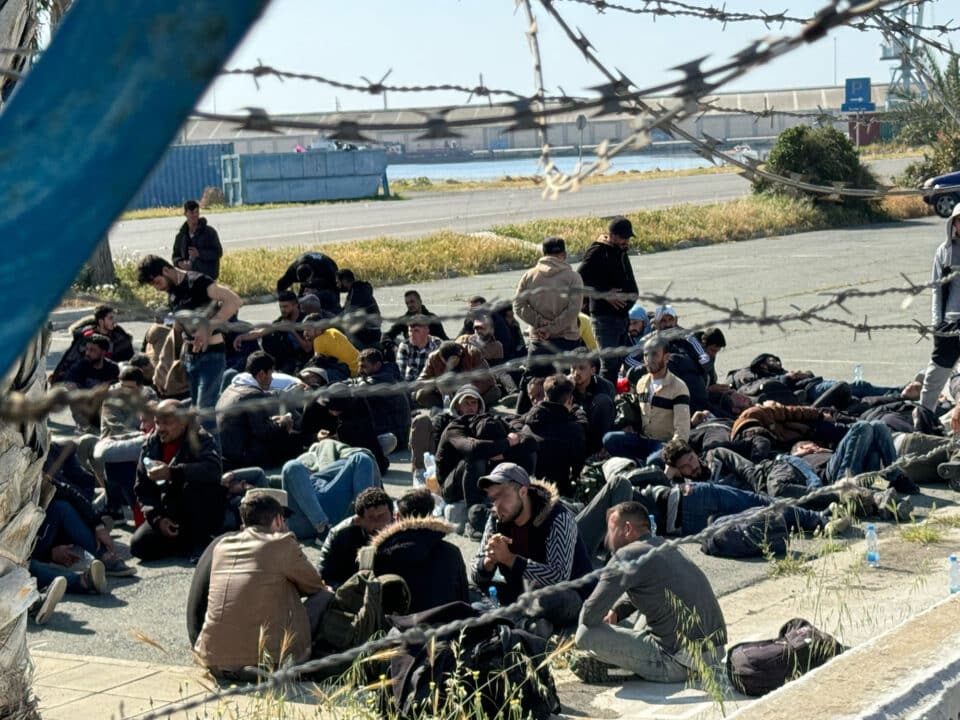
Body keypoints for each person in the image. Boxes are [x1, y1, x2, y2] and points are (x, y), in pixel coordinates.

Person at [570, 501, 727, 684]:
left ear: (627, 529)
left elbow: (589, 616)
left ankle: (621, 670)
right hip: (714, 654)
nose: (607, 539)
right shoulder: (666, 546)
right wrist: (617, 611)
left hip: (680, 664)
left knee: (585, 634)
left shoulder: (626, 555)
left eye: (611, 531)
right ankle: (629, 662)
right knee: (645, 613)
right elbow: (652, 592)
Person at [193, 488, 332, 677]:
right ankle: (305, 661)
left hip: (212, 660)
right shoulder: (281, 543)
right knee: (325, 594)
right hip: (261, 665)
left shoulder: (222, 547)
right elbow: (314, 585)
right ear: (277, 520)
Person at [472, 463, 594, 635]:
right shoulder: (497, 518)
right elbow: (476, 571)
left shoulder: (557, 518)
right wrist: (488, 561)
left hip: (569, 593)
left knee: (545, 599)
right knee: (468, 588)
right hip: (522, 591)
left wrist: (510, 560)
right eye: (493, 498)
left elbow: (559, 577)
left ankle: (519, 623)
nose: (497, 505)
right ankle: (529, 625)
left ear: (522, 492)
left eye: (503, 495)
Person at [136, 255, 243, 432]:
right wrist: (163, 367)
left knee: (205, 416)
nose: (157, 288)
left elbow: (234, 300)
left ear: (166, 270)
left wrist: (208, 326)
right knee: (196, 413)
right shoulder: (172, 294)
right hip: (190, 358)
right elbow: (177, 328)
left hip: (211, 355)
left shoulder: (198, 281)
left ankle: (213, 458)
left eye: (157, 282)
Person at [131, 400, 226, 562]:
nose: (160, 428)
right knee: (139, 546)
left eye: (167, 423)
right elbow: (142, 489)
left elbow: (213, 470)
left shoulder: (200, 438)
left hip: (198, 510)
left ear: (183, 423)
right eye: (157, 422)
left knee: (194, 484)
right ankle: (185, 542)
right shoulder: (151, 444)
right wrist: (158, 519)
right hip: (169, 510)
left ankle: (201, 541)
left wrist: (172, 473)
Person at [435, 385, 537, 514]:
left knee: (526, 452)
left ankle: (520, 493)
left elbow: (530, 442)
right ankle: (474, 511)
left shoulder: (487, 421)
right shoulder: (454, 428)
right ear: (457, 406)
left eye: (474, 403)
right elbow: (473, 449)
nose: (471, 407)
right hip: (451, 487)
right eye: (466, 403)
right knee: (477, 458)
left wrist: (503, 455)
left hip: (479, 478)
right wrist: (507, 442)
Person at [369, 487, 469, 613]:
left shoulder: (380, 554)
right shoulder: (452, 552)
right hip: (447, 628)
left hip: (400, 629)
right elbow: (464, 601)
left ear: (398, 518)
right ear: (431, 515)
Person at [604, 336, 690, 463]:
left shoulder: (678, 387)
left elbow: (682, 431)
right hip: (643, 440)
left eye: (654, 354)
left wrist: (672, 452)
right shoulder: (641, 383)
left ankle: (647, 467)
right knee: (609, 439)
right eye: (646, 355)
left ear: (666, 357)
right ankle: (637, 466)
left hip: (664, 444)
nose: (649, 359)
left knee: (653, 461)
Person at [215, 351, 302, 470]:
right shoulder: (252, 394)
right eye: (270, 374)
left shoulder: (232, 387)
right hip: (240, 456)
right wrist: (283, 422)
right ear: (261, 374)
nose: (271, 379)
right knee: (291, 437)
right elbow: (263, 432)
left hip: (226, 450)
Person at [578, 216, 638, 383]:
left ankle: (613, 398)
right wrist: (603, 294)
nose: (626, 241)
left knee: (618, 363)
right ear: (612, 235)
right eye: (623, 237)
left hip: (621, 318)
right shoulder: (598, 251)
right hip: (605, 319)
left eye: (628, 237)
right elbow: (578, 279)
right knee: (608, 365)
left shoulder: (620, 250)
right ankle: (605, 401)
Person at [513, 236, 585, 376]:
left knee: (532, 385)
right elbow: (573, 310)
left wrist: (540, 323)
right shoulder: (573, 277)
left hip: (539, 340)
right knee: (566, 386)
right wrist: (551, 329)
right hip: (567, 340)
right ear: (564, 254)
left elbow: (518, 305)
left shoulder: (529, 276)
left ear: (543, 254)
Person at [280, 445, 380, 542]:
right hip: (304, 519)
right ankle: (323, 530)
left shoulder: (333, 463)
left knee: (363, 458)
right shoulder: (300, 471)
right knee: (292, 466)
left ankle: (363, 523)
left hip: (337, 511)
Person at [516, 373, 587, 499]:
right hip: (556, 493)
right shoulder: (573, 431)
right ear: (569, 400)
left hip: (526, 489)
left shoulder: (528, 425)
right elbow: (578, 468)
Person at [921, 204, 960, 410]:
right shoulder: (945, 252)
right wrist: (937, 325)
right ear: (953, 223)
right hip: (950, 324)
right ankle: (924, 418)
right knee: (934, 377)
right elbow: (937, 290)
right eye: (959, 220)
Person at [316, 487, 394, 588]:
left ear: (393, 515)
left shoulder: (402, 532)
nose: (378, 522)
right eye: (371, 518)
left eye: (382, 516)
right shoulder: (340, 534)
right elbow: (323, 575)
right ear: (359, 520)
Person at [232, 291, 312, 375]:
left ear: (295, 305)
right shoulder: (281, 321)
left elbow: (308, 348)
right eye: (281, 307)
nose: (283, 310)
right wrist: (241, 337)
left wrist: (292, 331)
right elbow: (260, 332)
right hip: (282, 360)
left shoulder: (305, 321)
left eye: (286, 306)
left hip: (300, 361)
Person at [415, 340, 499, 410]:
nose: (453, 364)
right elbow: (420, 382)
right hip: (448, 395)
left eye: (455, 360)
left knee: (495, 391)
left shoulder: (472, 353)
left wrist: (468, 390)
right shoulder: (433, 358)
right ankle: (451, 408)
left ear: (460, 354)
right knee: (421, 394)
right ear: (441, 358)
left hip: (471, 392)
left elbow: (488, 379)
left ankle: (473, 406)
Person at [568, 348, 616, 455]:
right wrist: (568, 389)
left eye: (582, 368)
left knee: (603, 401)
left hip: (595, 432)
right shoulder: (565, 385)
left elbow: (609, 416)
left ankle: (599, 450)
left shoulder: (605, 387)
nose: (576, 372)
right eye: (573, 368)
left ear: (593, 370)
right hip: (574, 432)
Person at [172, 199, 223, 280]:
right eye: (191, 212)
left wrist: (199, 254)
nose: (194, 215)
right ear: (185, 214)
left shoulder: (209, 232)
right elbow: (175, 256)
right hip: (187, 277)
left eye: (196, 212)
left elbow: (218, 252)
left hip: (206, 276)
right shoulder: (181, 236)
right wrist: (179, 263)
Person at [276, 250, 340, 313]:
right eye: (303, 283)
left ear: (312, 273)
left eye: (307, 282)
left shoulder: (326, 268)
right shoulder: (292, 271)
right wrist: (285, 300)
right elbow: (281, 285)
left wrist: (318, 291)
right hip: (309, 266)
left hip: (326, 266)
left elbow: (335, 286)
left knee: (329, 296)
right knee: (302, 300)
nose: (307, 284)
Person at [337, 269, 382, 347]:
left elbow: (347, 314)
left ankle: (359, 354)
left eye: (338, 282)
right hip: (370, 329)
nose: (337, 285)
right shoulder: (357, 289)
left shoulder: (357, 292)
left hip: (369, 331)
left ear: (344, 281)